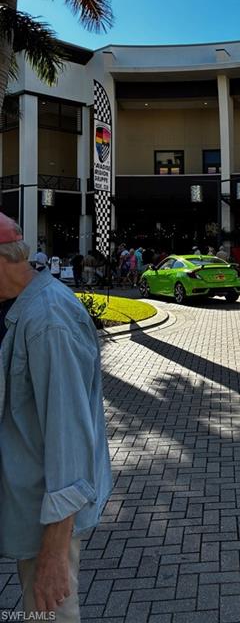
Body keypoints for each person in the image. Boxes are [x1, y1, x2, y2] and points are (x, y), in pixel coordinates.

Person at [0, 214, 112, 620]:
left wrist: (54, 553)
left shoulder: (48, 322)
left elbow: (70, 444)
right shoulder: (18, 306)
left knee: (47, 614)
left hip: (48, 525)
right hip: (28, 508)